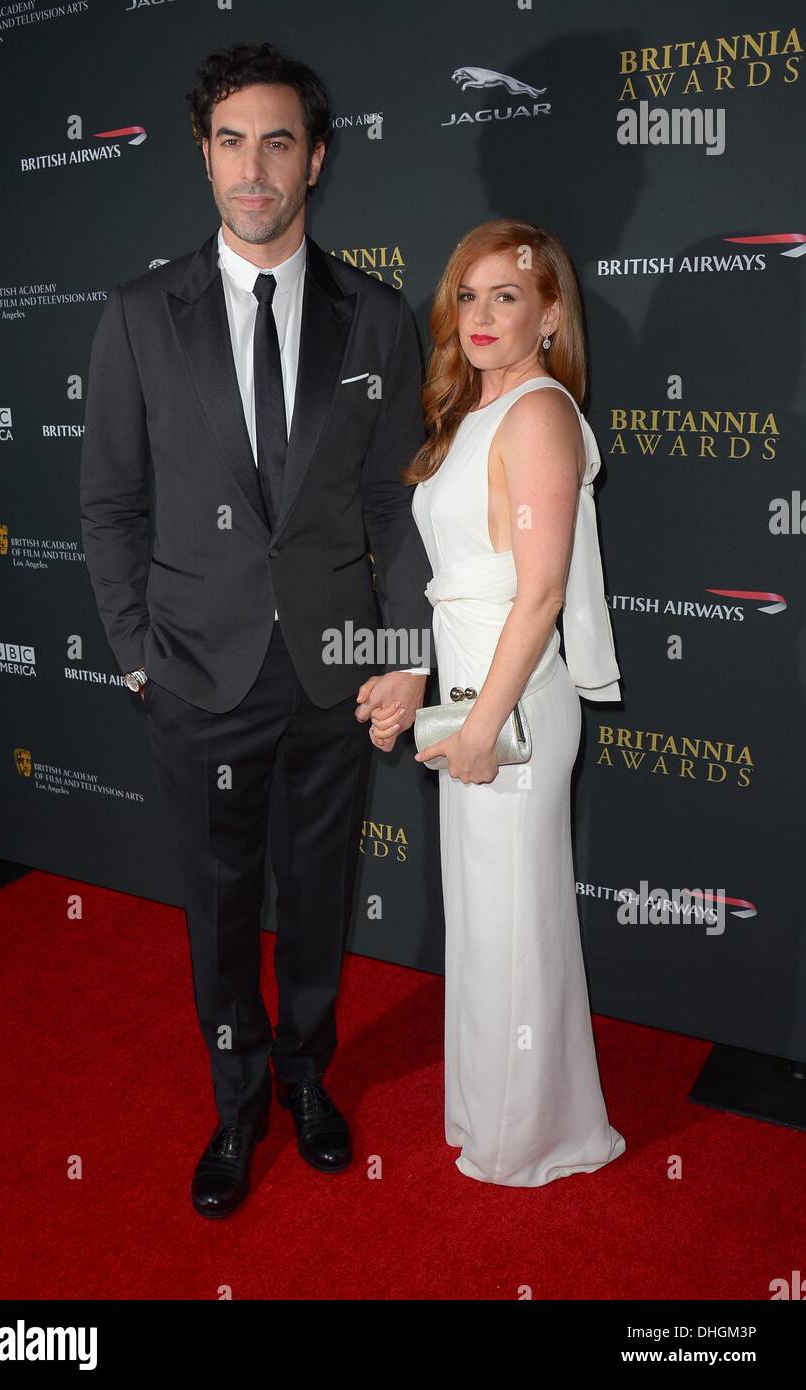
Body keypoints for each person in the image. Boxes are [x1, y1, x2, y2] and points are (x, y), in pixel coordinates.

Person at [79, 42, 433, 1218]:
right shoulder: (138, 318)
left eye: (277, 140)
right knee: (222, 907)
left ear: (315, 160)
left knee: (318, 892)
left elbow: (396, 499)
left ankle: (305, 1078)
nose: (252, 165)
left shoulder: (376, 316)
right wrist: (137, 655)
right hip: (196, 669)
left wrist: (392, 651)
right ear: (204, 156)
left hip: (334, 673)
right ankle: (235, 1109)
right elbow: (110, 504)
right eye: (230, 140)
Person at [369, 218, 626, 1186]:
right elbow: (449, 578)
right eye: (466, 296)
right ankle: (488, 1110)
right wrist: (415, 682)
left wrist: (479, 726)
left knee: (513, 927)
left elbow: (540, 592)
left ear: (548, 313)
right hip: (471, 700)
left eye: (505, 296)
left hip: (510, 709)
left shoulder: (538, 415)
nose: (479, 315)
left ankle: (533, 1136)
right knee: (482, 922)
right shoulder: (471, 413)